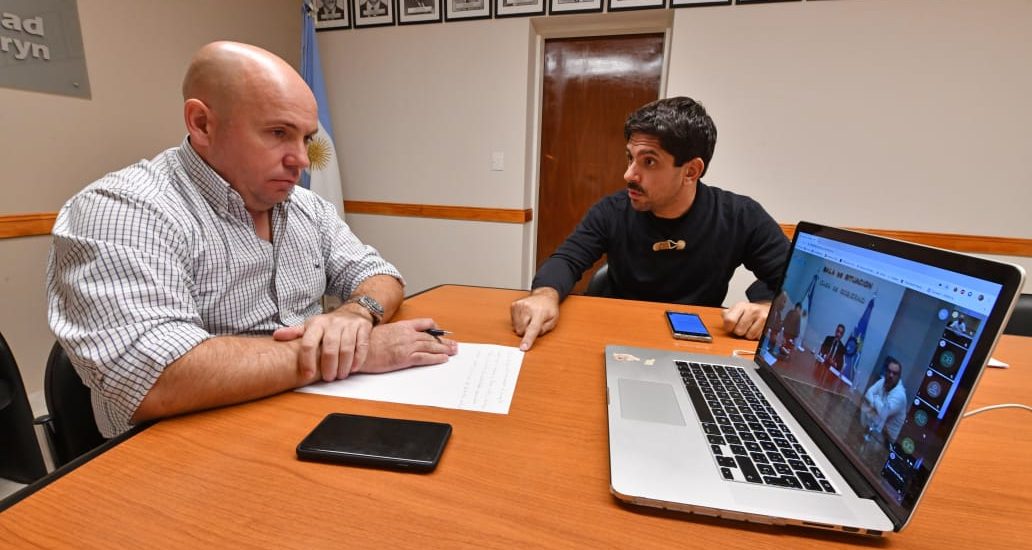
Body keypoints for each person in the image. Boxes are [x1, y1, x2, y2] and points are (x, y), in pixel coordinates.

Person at [46, 41, 456, 438]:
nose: (300, 159)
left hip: (299, 414)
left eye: (306, 138)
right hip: (174, 452)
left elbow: (379, 274)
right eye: (278, 132)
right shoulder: (123, 209)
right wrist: (352, 352)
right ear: (202, 124)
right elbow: (156, 375)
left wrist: (356, 315)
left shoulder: (307, 208)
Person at [510, 97, 789, 350]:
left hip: (692, 347)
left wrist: (767, 307)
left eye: (649, 162)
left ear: (691, 171)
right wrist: (544, 295)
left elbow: (792, 283)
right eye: (630, 157)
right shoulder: (612, 210)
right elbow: (567, 259)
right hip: (613, 339)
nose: (629, 174)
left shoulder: (739, 215)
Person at [859, 357, 908, 445]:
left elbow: (883, 412)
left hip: (886, 440)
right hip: (875, 429)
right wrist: (877, 403)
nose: (891, 375)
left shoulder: (900, 395)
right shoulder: (883, 381)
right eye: (889, 371)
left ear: (899, 376)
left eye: (894, 373)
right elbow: (868, 393)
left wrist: (875, 398)